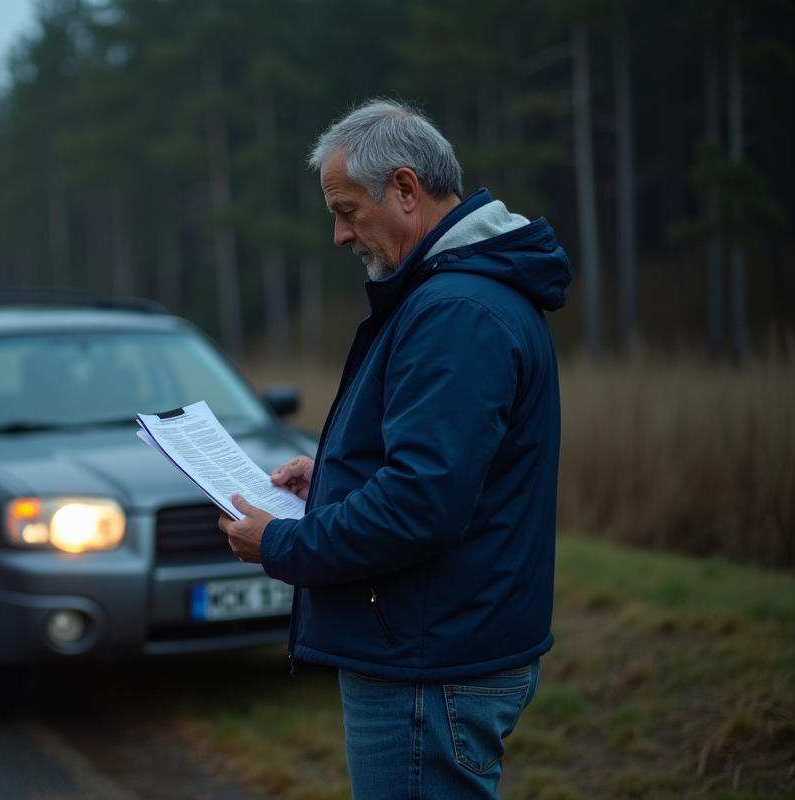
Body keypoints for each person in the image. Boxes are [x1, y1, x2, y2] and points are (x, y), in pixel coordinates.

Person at [218, 98, 572, 799]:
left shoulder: (456, 313)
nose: (340, 235)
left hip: (427, 662)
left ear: (406, 189)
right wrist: (335, 475)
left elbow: (421, 502)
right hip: (437, 642)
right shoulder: (456, 297)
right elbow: (452, 463)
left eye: (347, 210)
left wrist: (285, 545)